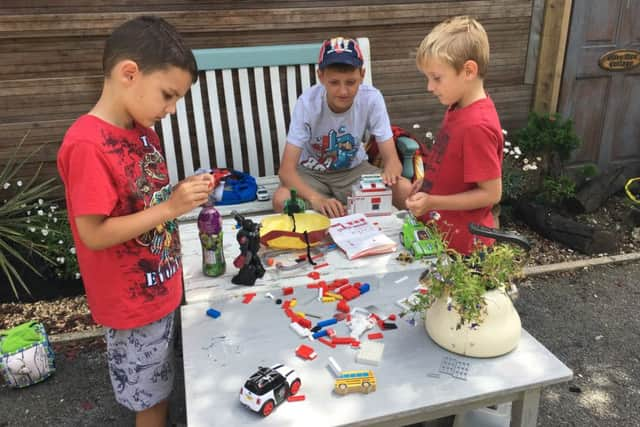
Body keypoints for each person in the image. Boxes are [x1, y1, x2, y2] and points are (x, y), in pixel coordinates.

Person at [57, 16, 214, 427]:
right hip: (131, 303)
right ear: (130, 73)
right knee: (151, 398)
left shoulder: (141, 130)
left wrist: (179, 194)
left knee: (165, 378)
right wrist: (170, 208)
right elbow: (93, 233)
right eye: (168, 95)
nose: (172, 108)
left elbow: (143, 199)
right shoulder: (87, 144)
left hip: (160, 285)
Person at [272, 37, 412, 218]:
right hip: (311, 173)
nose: (343, 91)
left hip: (354, 171)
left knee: (404, 189)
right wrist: (316, 199)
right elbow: (286, 171)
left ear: (362, 75)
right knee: (282, 199)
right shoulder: (307, 103)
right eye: (334, 82)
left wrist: (391, 173)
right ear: (321, 76)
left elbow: (392, 160)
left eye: (351, 82)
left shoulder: (372, 98)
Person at [406, 16, 504, 255]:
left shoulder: (476, 126)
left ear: (469, 71)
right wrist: (429, 182)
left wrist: (433, 202)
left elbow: (491, 193)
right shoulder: (457, 107)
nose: (430, 87)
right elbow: (452, 163)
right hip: (445, 234)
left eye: (437, 78)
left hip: (465, 247)